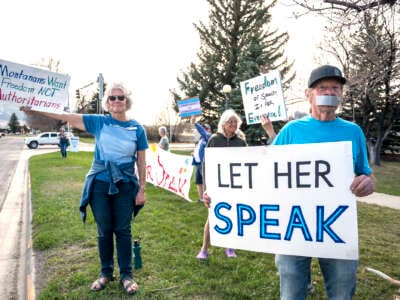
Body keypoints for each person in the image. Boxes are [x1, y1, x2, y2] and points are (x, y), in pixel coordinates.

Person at [21, 82, 148, 295]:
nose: (117, 101)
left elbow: (142, 162)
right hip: (100, 183)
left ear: (127, 101)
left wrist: (141, 189)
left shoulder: (137, 128)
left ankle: (126, 275)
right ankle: (106, 273)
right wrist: (34, 108)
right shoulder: (99, 122)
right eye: (112, 98)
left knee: (123, 230)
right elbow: (66, 115)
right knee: (104, 230)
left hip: (125, 185)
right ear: (107, 103)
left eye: (121, 97)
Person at [271, 65, 374, 300]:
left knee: (341, 291)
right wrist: (228, 196)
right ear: (309, 94)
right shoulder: (291, 131)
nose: (330, 92)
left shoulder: (353, 131)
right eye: (322, 88)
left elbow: (365, 173)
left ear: (341, 94)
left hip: (336, 227)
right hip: (293, 227)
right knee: (291, 294)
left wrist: (367, 182)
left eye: (335, 88)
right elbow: (265, 176)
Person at [196, 109, 248, 260]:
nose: (233, 124)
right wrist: (206, 189)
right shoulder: (214, 139)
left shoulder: (241, 141)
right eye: (230, 121)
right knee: (212, 216)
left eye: (235, 121)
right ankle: (204, 249)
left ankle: (229, 247)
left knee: (231, 215)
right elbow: (206, 165)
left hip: (235, 185)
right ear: (223, 124)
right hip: (217, 185)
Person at [190, 115, 212, 202]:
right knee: (198, 181)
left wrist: (195, 123)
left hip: (203, 163)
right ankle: (201, 198)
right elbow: (198, 149)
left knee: (206, 181)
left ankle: (208, 198)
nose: (205, 130)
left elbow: (202, 132)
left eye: (206, 128)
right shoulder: (201, 139)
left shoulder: (208, 136)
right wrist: (194, 154)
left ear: (209, 130)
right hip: (197, 163)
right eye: (204, 128)